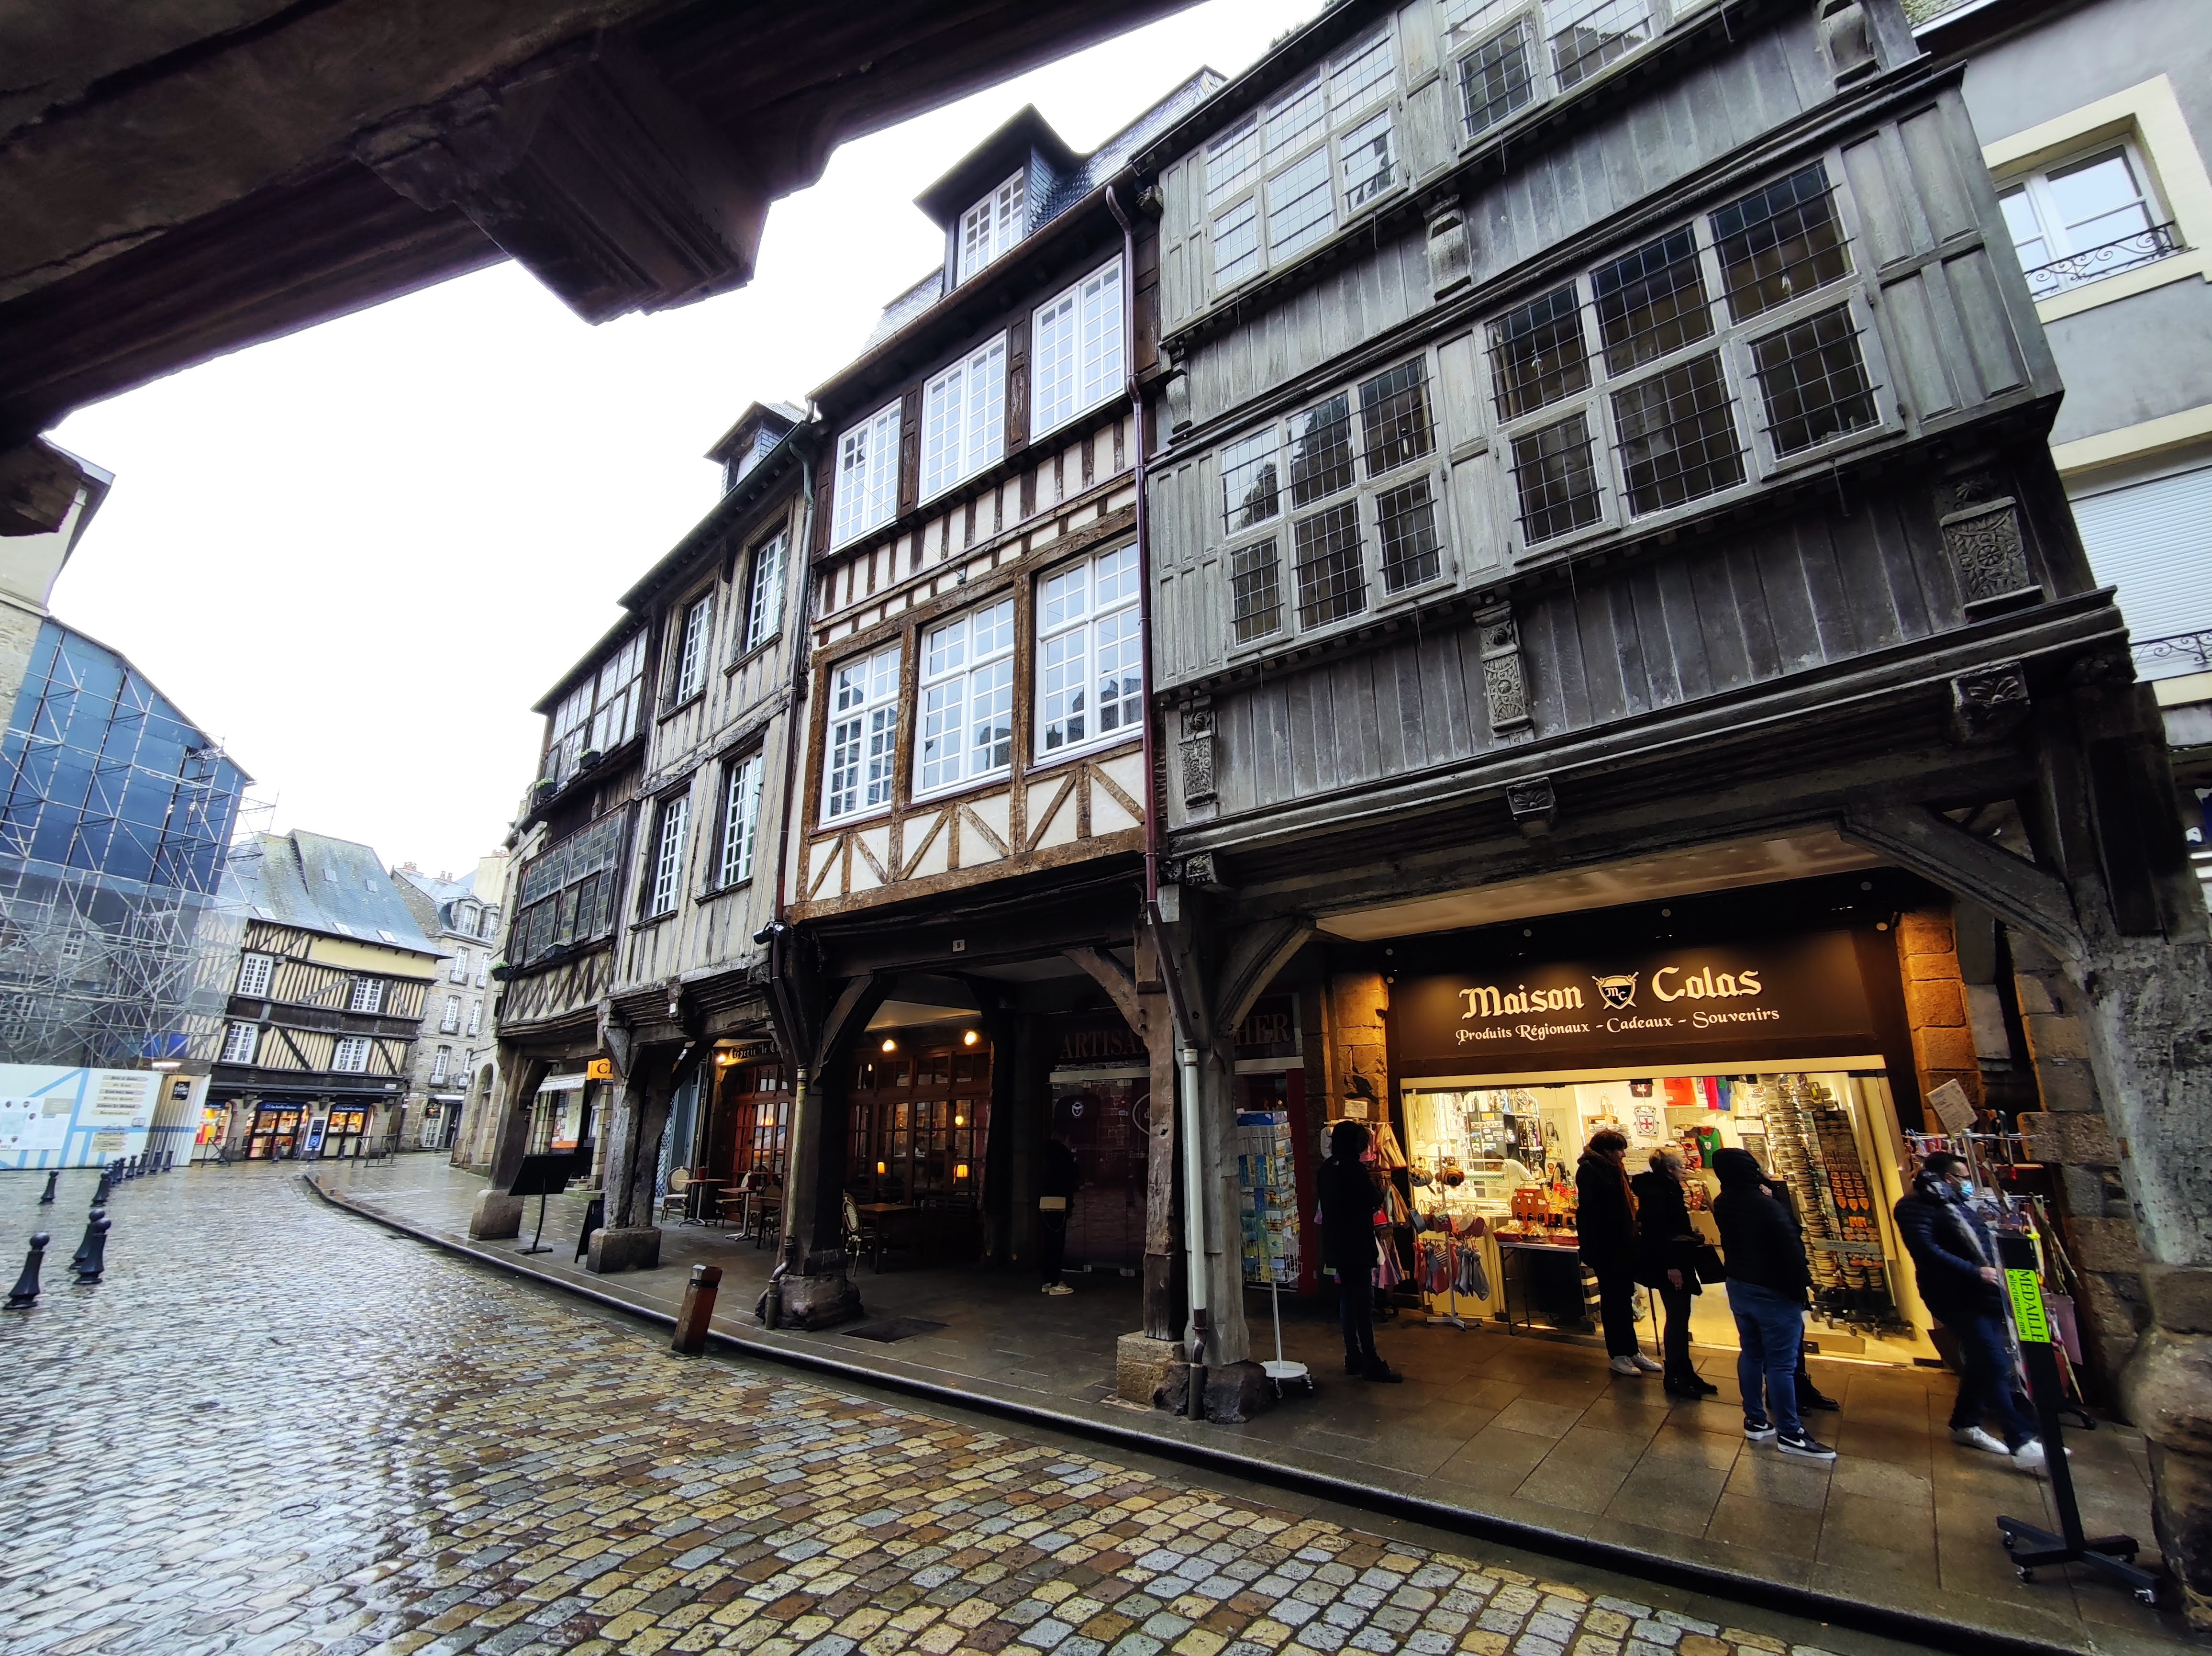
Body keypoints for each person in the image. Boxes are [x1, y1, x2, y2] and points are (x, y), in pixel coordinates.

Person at [1894, 1151, 2046, 1471]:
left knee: (1985, 1361)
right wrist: (1975, 1271)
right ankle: (2020, 1439)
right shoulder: (1913, 1207)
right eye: (1963, 1177)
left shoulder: (1956, 1203)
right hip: (1954, 1294)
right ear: (1947, 1177)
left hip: (1983, 1293)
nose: (1967, 1183)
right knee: (1992, 1360)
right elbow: (1925, 1250)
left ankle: (1966, 1422)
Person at [1712, 1147, 1836, 1460]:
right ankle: (1790, 1432)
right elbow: (1791, 1240)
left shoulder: (1723, 1201)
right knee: (1781, 1364)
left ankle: (1755, 1419)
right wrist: (1801, 1288)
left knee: (1752, 1353)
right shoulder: (1764, 1205)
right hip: (1773, 1288)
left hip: (1740, 1284)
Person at [1317, 1119, 1401, 1382]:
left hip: (1336, 1243)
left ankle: (1352, 1355)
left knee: (1347, 1298)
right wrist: (1378, 1196)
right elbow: (1371, 1199)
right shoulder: (1354, 1169)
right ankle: (1371, 1360)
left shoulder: (1326, 1169)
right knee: (1363, 1301)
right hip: (1357, 1242)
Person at [1578, 1129, 1660, 1377]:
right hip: (1607, 1247)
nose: (1624, 1154)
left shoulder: (1616, 1169)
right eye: (1620, 1150)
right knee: (1614, 1301)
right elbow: (1591, 1214)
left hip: (1624, 1245)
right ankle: (1618, 1354)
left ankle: (1631, 1349)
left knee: (1624, 1298)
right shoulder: (1590, 1171)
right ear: (1607, 1151)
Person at [1633, 1147, 1714, 1398]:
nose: (1684, 1171)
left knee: (1681, 1315)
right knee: (1677, 1316)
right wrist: (1672, 1266)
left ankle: (1684, 1371)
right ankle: (1675, 1375)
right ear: (1669, 1169)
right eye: (1680, 1166)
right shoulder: (1658, 1194)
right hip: (1671, 1261)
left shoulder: (1665, 1190)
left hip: (1677, 1257)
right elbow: (1658, 1232)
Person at [1038, 1136, 1078, 1296]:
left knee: (1048, 1243)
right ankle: (1055, 1282)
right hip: (1059, 1202)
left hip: (1045, 1201)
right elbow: (1072, 1175)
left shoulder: (1044, 1155)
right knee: (1056, 1243)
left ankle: (1048, 1280)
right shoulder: (1062, 1155)